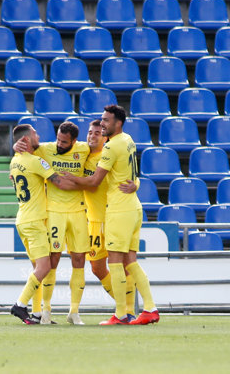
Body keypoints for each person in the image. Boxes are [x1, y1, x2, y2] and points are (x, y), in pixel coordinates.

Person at [66, 105, 160, 325]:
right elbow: (130, 171)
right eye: (100, 121)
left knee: (116, 262)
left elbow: (94, 181)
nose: (102, 125)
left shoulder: (110, 148)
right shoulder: (128, 139)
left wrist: (67, 177)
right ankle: (149, 308)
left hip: (117, 210)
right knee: (130, 262)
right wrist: (135, 184)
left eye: (105, 121)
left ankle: (122, 313)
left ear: (118, 123)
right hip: (132, 207)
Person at [16, 122, 91, 325]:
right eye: (58, 138)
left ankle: (74, 312)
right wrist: (14, 147)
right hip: (54, 212)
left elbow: (99, 146)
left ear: (74, 141)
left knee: (79, 261)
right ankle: (46, 311)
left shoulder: (83, 149)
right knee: (51, 262)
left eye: (64, 142)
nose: (59, 143)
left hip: (78, 212)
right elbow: (23, 151)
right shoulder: (45, 149)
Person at [84, 120, 138, 321]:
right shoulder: (81, 154)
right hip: (95, 220)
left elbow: (131, 174)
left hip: (115, 215)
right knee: (97, 268)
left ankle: (127, 311)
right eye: (90, 132)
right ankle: (123, 306)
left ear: (105, 137)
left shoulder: (110, 154)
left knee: (124, 264)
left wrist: (137, 184)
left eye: (97, 133)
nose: (92, 136)